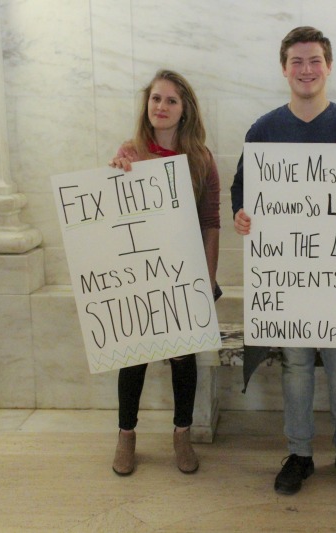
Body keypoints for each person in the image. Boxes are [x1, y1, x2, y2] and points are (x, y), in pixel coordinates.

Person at [231, 26, 336, 495]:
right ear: (284, 68)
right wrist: (243, 215)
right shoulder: (263, 130)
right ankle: (299, 454)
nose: (307, 69)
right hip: (289, 277)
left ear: (329, 66)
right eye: (297, 61)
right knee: (296, 367)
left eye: (315, 60)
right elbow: (244, 189)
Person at [108, 69, 220, 476]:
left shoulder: (202, 159)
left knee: (182, 358)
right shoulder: (131, 152)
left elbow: (211, 222)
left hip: (184, 270)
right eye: (156, 98)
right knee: (133, 357)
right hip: (141, 273)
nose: (162, 106)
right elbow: (113, 218)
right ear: (147, 104)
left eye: (172, 100)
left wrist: (206, 281)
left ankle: (181, 435)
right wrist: (113, 177)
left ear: (185, 108)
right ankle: (126, 436)